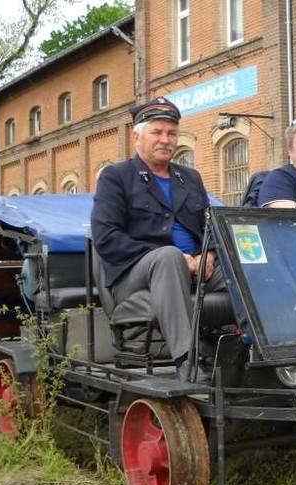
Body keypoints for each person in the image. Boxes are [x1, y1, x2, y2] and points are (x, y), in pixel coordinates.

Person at [91, 97, 221, 381]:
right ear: (136, 136)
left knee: (244, 265)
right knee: (168, 256)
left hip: (195, 269)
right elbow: (106, 238)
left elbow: (211, 224)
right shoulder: (117, 177)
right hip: (135, 276)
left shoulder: (190, 178)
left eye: (172, 133)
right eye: (157, 132)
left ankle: (257, 351)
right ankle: (187, 363)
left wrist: (209, 253)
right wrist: (181, 258)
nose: (166, 139)